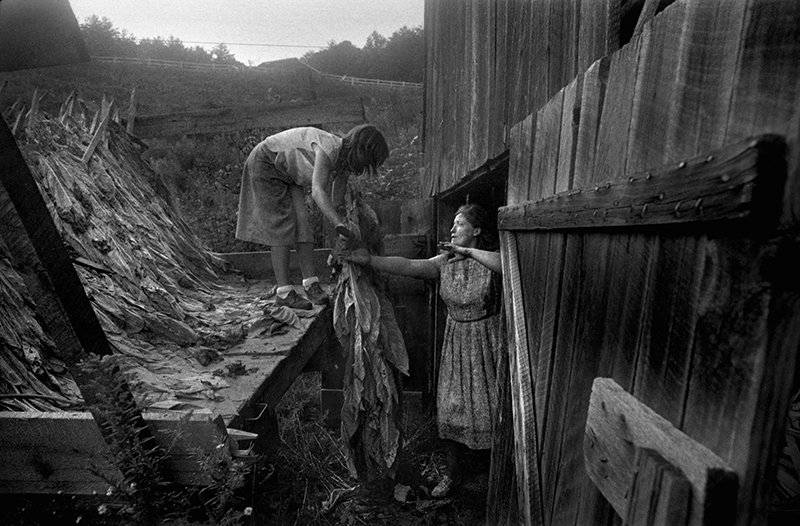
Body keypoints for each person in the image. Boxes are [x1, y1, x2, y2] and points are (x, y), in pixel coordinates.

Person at [342, 203, 505, 497]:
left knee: (491, 410)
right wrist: (369, 260)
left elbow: (508, 264)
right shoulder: (443, 263)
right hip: (457, 344)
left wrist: (469, 253)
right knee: (451, 409)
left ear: (477, 231)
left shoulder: (490, 261)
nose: (453, 230)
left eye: (460, 224)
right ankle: (452, 475)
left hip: (487, 345)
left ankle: (497, 478)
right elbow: (406, 265)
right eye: (453, 225)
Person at [236, 124, 389, 309]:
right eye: (368, 163)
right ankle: (284, 292)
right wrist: (339, 225)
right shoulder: (329, 149)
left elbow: (337, 197)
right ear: (362, 152)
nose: (365, 169)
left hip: (288, 173)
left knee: (303, 223)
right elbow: (317, 191)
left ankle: (310, 284)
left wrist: (344, 218)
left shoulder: (344, 162)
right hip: (266, 161)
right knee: (281, 224)